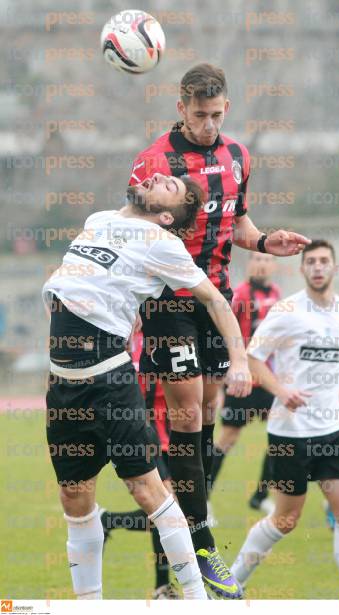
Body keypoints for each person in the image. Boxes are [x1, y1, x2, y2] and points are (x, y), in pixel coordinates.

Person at [128, 62, 309, 597]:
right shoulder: (153, 161)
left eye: (215, 115)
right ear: (180, 109)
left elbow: (240, 222)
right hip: (168, 300)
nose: (207, 124)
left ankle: (179, 535)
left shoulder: (238, 156)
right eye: (197, 114)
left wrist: (264, 240)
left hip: (215, 299)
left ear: (225, 108)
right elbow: (130, 228)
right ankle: (202, 540)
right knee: (184, 412)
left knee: (205, 418)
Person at [42, 173, 253, 600]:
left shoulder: (163, 243)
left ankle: (195, 599)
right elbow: (80, 279)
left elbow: (214, 299)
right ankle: (90, 606)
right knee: (73, 498)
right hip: (62, 381)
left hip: (107, 380)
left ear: (164, 215)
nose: (157, 176)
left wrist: (240, 360)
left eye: (170, 187)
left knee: (147, 490)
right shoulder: (98, 218)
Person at [230, 240, 339, 600]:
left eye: (325, 261)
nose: (318, 267)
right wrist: (280, 391)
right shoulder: (287, 310)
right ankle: (232, 582)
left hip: (333, 431)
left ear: (335, 268)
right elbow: (254, 358)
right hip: (290, 433)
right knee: (286, 520)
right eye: (311, 262)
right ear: (302, 269)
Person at [100, 331, 180, 599]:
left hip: (174, 433)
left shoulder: (174, 330)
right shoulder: (121, 334)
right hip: (141, 432)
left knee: (169, 514)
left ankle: (106, 521)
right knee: (168, 509)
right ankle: (163, 587)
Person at [208, 253, 281, 515]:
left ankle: (260, 496)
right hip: (241, 378)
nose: (262, 264)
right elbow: (222, 333)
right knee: (228, 437)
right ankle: (203, 499)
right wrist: (224, 374)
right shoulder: (239, 295)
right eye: (257, 259)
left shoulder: (277, 294)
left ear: (273, 264)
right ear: (249, 263)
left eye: (266, 259)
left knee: (281, 436)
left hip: (268, 380)